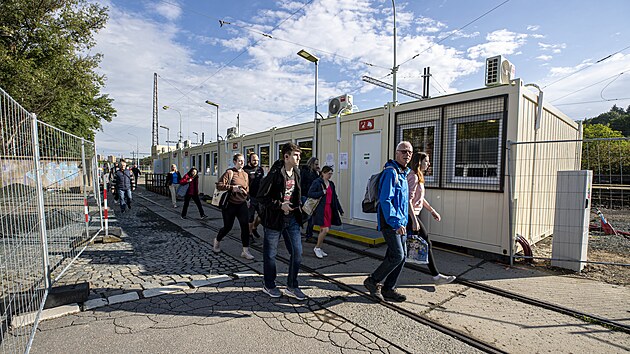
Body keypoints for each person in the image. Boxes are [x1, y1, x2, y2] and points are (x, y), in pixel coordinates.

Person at [363, 141, 413, 303]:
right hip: (390, 222)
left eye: (410, 152)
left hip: (401, 223)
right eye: (404, 151)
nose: (407, 155)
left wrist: (405, 222)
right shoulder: (391, 173)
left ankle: (389, 288)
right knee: (397, 255)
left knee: (401, 256)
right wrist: (396, 222)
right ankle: (372, 281)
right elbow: (386, 200)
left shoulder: (403, 174)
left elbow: (404, 202)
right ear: (396, 153)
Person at [257, 142, 305, 300]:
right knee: (270, 254)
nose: (299, 158)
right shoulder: (275, 173)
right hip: (274, 220)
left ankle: (292, 285)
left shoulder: (297, 172)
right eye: (296, 155)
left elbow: (296, 193)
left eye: (299, 155)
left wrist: (301, 207)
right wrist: (280, 205)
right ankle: (269, 284)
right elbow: (261, 197)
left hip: (292, 219)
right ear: (286, 156)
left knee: (297, 253)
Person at [407, 152, 456, 285]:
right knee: (426, 243)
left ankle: (436, 276)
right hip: (410, 216)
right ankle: (436, 276)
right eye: (426, 161)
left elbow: (420, 199)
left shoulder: (418, 176)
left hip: (413, 215)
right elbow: (408, 200)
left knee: (401, 249)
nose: (429, 164)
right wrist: (414, 219)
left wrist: (432, 211)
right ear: (419, 162)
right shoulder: (413, 177)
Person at [213, 153, 254, 260]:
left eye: (243, 160)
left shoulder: (245, 174)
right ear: (235, 161)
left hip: (242, 204)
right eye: (240, 160)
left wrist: (247, 198)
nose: (242, 162)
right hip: (230, 205)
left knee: (245, 227)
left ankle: (245, 250)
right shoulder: (229, 172)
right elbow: (219, 185)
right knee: (228, 227)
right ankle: (217, 240)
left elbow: (247, 188)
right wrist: (232, 187)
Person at [307, 165, 344, 259]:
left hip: (329, 208)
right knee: (325, 229)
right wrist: (321, 192)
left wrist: (340, 209)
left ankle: (319, 247)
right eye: (328, 173)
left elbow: (334, 197)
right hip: (320, 209)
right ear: (323, 173)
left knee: (323, 230)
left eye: (331, 173)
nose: (330, 175)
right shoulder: (317, 182)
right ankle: (317, 247)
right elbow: (310, 193)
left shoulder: (331, 184)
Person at [244, 153, 265, 242]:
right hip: (250, 196)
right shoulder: (245, 170)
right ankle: (249, 234)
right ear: (250, 160)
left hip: (260, 197)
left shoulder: (260, 169)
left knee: (262, 216)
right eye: (254, 160)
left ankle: (254, 228)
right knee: (250, 217)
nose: (256, 162)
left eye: (257, 160)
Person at [300, 157, 320, 241]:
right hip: (305, 195)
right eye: (316, 164)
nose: (317, 166)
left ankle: (309, 234)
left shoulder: (316, 173)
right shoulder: (305, 172)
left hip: (313, 197)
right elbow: (300, 184)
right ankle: (297, 226)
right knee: (308, 215)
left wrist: (320, 173)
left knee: (311, 216)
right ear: (311, 164)